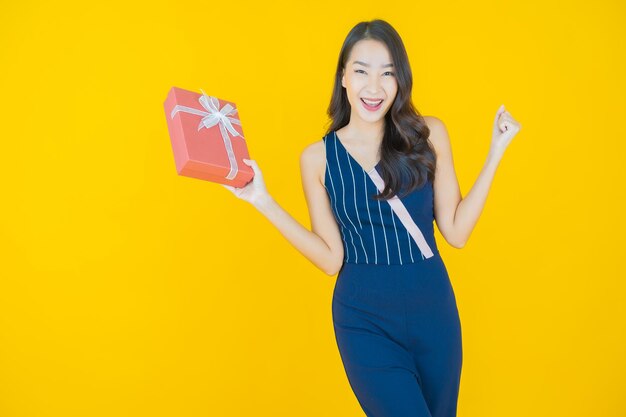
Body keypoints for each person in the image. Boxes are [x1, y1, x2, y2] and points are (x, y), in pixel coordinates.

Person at [222, 19, 521, 417]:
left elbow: (457, 232)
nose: (374, 87)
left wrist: (496, 151)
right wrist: (262, 199)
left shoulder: (428, 135)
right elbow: (330, 259)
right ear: (343, 78)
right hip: (364, 319)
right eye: (361, 71)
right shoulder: (318, 159)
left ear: (401, 81)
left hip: (434, 311)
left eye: (387, 73)